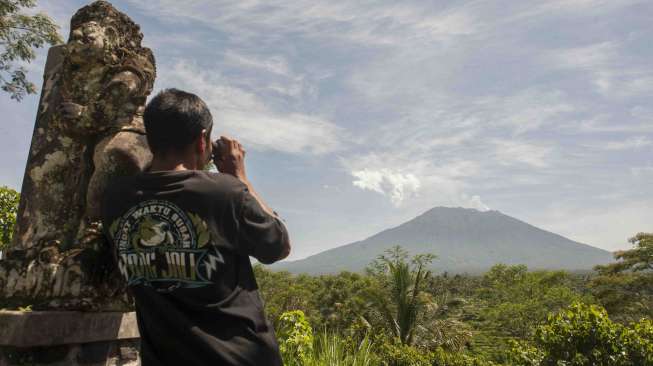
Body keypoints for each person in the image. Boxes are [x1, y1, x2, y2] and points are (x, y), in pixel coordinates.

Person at [100, 88, 291, 365]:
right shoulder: (225, 192)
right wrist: (240, 177)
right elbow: (279, 245)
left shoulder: (115, 199)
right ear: (203, 140)